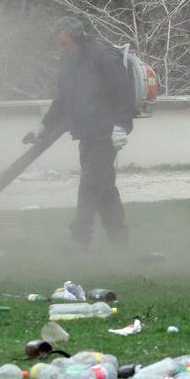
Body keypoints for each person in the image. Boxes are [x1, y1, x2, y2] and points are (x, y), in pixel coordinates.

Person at [24, 16, 137, 248]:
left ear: (77, 36)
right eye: (58, 44)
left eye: (64, 43)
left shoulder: (102, 56)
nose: (61, 48)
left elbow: (124, 92)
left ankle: (79, 238)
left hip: (105, 133)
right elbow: (63, 99)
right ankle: (118, 237)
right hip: (86, 133)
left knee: (89, 184)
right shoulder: (69, 60)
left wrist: (121, 126)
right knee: (103, 186)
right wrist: (43, 126)